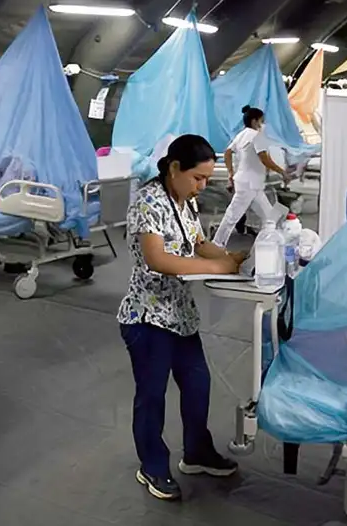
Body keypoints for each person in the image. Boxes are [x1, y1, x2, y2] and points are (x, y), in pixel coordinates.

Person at [117, 134, 247, 501]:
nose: (202, 187)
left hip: (180, 316)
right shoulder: (148, 202)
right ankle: (153, 467)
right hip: (147, 318)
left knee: (197, 386)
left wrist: (231, 258)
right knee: (152, 396)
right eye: (198, 178)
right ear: (175, 168)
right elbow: (157, 259)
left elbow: (198, 242)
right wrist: (215, 267)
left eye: (207, 180)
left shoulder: (184, 202)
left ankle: (197, 452)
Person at [212, 105, 290, 247]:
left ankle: (274, 243)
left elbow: (227, 153)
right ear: (255, 121)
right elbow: (264, 159)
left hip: (251, 185)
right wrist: (282, 172)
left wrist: (231, 173)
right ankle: (216, 244)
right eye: (262, 120)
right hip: (249, 185)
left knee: (269, 216)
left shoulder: (241, 135)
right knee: (232, 216)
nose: (263, 124)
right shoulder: (257, 137)